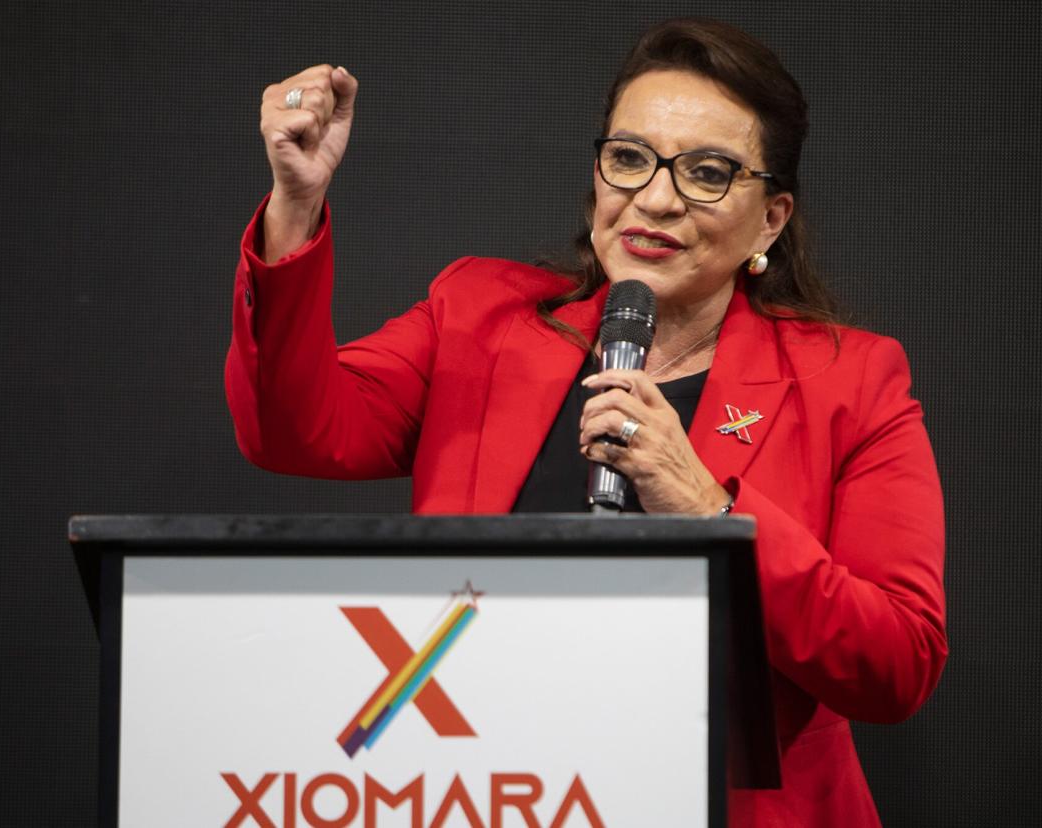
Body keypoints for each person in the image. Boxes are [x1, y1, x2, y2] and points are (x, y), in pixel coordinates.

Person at [225, 18, 946, 827]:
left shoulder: (850, 380)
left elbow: (896, 663)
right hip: (492, 793)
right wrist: (297, 202)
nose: (657, 197)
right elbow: (290, 429)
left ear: (771, 219)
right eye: (630, 158)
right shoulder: (479, 316)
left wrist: (712, 509)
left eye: (707, 173)